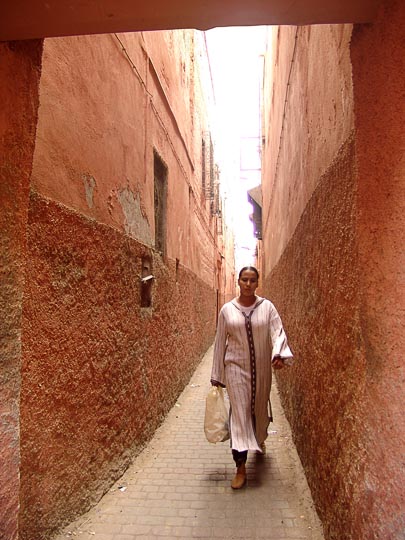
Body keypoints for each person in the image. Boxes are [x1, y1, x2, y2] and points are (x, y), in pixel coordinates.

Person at [211, 266, 293, 489]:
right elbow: (220, 342)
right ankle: (240, 468)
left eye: (252, 280)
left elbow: (278, 332)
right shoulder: (227, 310)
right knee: (239, 414)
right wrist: (217, 375)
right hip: (235, 369)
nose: (248, 284)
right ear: (238, 281)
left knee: (257, 409)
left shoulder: (267, 307)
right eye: (244, 280)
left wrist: (278, 354)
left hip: (262, 369)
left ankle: (259, 437)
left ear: (257, 283)